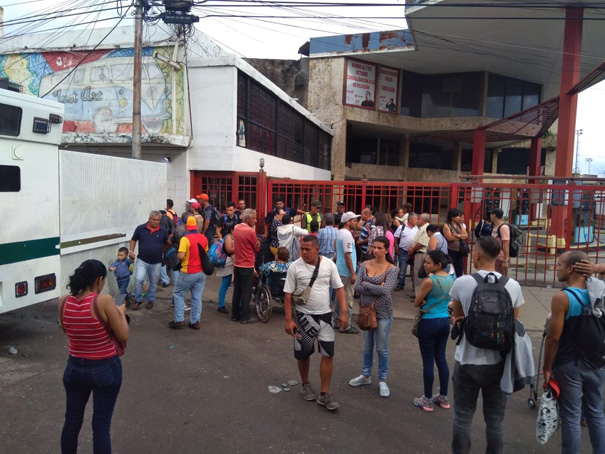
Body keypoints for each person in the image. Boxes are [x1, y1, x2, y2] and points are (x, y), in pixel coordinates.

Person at [449, 236, 524, 454]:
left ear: (478, 254)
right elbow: (514, 323)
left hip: (467, 360)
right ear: (498, 255)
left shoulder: (462, 282)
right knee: (495, 421)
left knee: (463, 417)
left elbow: (458, 316)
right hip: (500, 364)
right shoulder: (513, 286)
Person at [58, 259, 129, 454]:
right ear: (99, 280)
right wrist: (121, 312)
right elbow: (123, 335)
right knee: (101, 426)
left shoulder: (63, 301)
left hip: (74, 368)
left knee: (71, 421)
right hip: (104, 368)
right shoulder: (103, 300)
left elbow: (67, 329)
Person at [542, 251, 605, 454]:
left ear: (570, 269)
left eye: (559, 264)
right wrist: (596, 268)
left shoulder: (563, 298)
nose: (556, 268)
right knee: (595, 412)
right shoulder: (601, 293)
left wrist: (547, 367)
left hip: (570, 365)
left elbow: (553, 338)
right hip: (597, 363)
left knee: (571, 416)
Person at [283, 235, 348, 411]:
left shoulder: (329, 265)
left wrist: (344, 312)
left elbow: (339, 288)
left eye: (307, 249)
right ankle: (305, 384)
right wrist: (289, 321)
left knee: (328, 354)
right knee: (303, 354)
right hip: (303, 318)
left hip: (325, 318)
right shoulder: (294, 267)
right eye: (301, 249)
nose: (303, 252)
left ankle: (324, 393)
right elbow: (287, 295)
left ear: (317, 249)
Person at [349, 236, 397, 397]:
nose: (375, 250)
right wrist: (375, 286)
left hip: (383, 312)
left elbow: (386, 290)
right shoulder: (364, 264)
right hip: (365, 311)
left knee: (382, 348)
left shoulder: (392, 268)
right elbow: (356, 286)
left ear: (386, 249)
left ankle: (382, 380)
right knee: (367, 346)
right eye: (374, 247)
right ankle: (365, 375)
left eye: (379, 248)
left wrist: (366, 285)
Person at [412, 250, 455, 412]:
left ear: (438, 265)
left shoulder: (430, 281)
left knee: (428, 361)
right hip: (444, 321)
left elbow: (417, 302)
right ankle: (443, 397)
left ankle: (427, 399)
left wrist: (422, 300)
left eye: (428, 262)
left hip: (429, 322)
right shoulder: (452, 279)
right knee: (441, 358)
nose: (425, 264)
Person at [169, 217, 209, 330]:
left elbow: (181, 256)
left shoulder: (185, 239)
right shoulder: (203, 238)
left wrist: (177, 256)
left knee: (178, 294)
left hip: (188, 271)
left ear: (186, 226)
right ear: (196, 226)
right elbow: (205, 253)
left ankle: (179, 320)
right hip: (201, 272)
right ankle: (195, 322)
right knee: (196, 297)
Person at [129, 210, 169, 310]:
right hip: (142, 260)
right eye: (154, 220)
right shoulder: (140, 228)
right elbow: (133, 239)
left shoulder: (163, 231)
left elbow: (167, 243)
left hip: (156, 261)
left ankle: (150, 300)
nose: (156, 222)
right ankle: (138, 300)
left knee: (154, 282)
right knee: (138, 279)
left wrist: (163, 254)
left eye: (158, 220)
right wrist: (132, 251)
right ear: (149, 219)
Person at [232, 209, 261, 324]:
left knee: (237, 291)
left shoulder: (236, 228)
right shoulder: (250, 231)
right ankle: (245, 316)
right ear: (248, 219)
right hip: (247, 264)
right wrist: (258, 243)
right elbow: (256, 248)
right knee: (246, 292)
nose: (256, 220)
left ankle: (235, 314)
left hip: (237, 263)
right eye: (254, 218)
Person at [335, 211, 360, 334]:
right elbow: (348, 256)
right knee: (348, 299)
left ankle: (336, 321)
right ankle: (346, 325)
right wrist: (353, 273)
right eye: (354, 221)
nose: (356, 223)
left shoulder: (341, 233)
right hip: (346, 272)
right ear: (348, 222)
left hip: (341, 269)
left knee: (339, 298)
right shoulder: (347, 235)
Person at [393, 213, 418, 291]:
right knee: (402, 269)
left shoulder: (417, 228)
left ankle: (415, 286)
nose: (417, 220)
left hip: (414, 252)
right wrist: (396, 249)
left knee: (415, 270)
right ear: (410, 220)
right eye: (415, 219)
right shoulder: (402, 227)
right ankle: (400, 284)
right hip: (403, 251)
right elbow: (395, 238)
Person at [443, 208, 468, 278]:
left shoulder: (460, 225)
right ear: (452, 216)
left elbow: (466, 235)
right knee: (450, 268)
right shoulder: (447, 225)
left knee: (459, 269)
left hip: (460, 250)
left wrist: (457, 235)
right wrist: (460, 237)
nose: (459, 218)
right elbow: (449, 237)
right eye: (458, 216)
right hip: (451, 250)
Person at [410, 213, 431, 296]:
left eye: (419, 219)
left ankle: (419, 295)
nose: (418, 220)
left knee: (419, 274)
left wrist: (413, 249)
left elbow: (422, 243)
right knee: (416, 274)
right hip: (417, 252)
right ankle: (417, 293)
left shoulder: (426, 228)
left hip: (421, 253)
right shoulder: (422, 228)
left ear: (424, 220)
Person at [215, 233, 234, 314]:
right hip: (228, 263)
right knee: (225, 284)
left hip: (231, 263)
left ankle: (221, 304)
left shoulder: (230, 237)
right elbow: (229, 250)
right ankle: (221, 305)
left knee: (225, 285)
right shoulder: (228, 237)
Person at [490, 208, 510, 276]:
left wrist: (505, 260)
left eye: (491, 214)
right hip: (494, 256)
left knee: (501, 277)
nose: (490, 216)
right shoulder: (495, 226)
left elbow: (506, 244)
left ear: (494, 215)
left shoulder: (503, 227)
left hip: (501, 257)